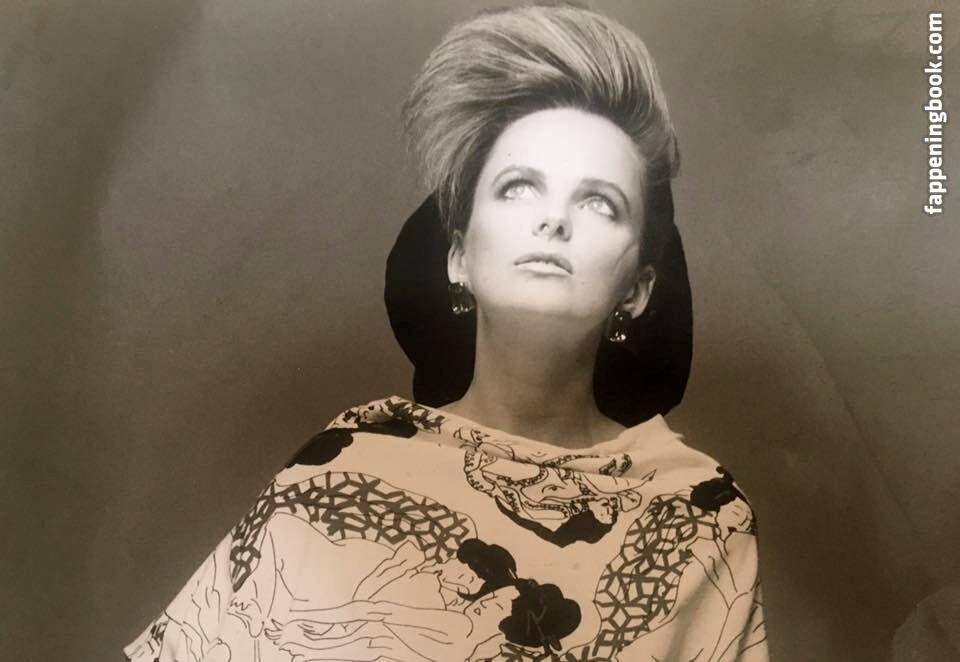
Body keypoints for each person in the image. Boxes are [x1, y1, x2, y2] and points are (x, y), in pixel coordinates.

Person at [123, 3, 769, 661]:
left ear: (636, 289)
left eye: (600, 202)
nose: (554, 221)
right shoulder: (349, 465)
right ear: (459, 256)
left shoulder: (701, 513)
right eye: (519, 188)